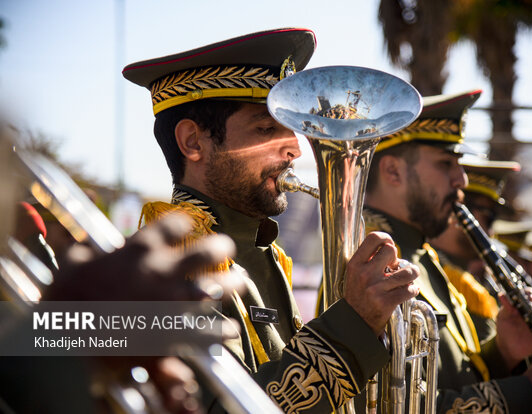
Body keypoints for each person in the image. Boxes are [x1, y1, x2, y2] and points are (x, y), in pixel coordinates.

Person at [123, 28, 420, 413]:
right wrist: (354, 325)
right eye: (266, 128)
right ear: (193, 142)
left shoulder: (266, 254)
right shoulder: (166, 265)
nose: (296, 148)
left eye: (291, 129)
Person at [363, 88, 532, 413]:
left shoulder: (422, 256)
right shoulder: (369, 263)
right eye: (446, 163)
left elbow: (453, 382)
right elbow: (400, 409)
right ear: (393, 171)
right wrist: (530, 392)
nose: (461, 179)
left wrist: (503, 353)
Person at [430, 157, 521, 342]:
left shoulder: (479, 279)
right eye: (490, 217)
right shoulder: (429, 273)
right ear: (459, 212)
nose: (491, 232)